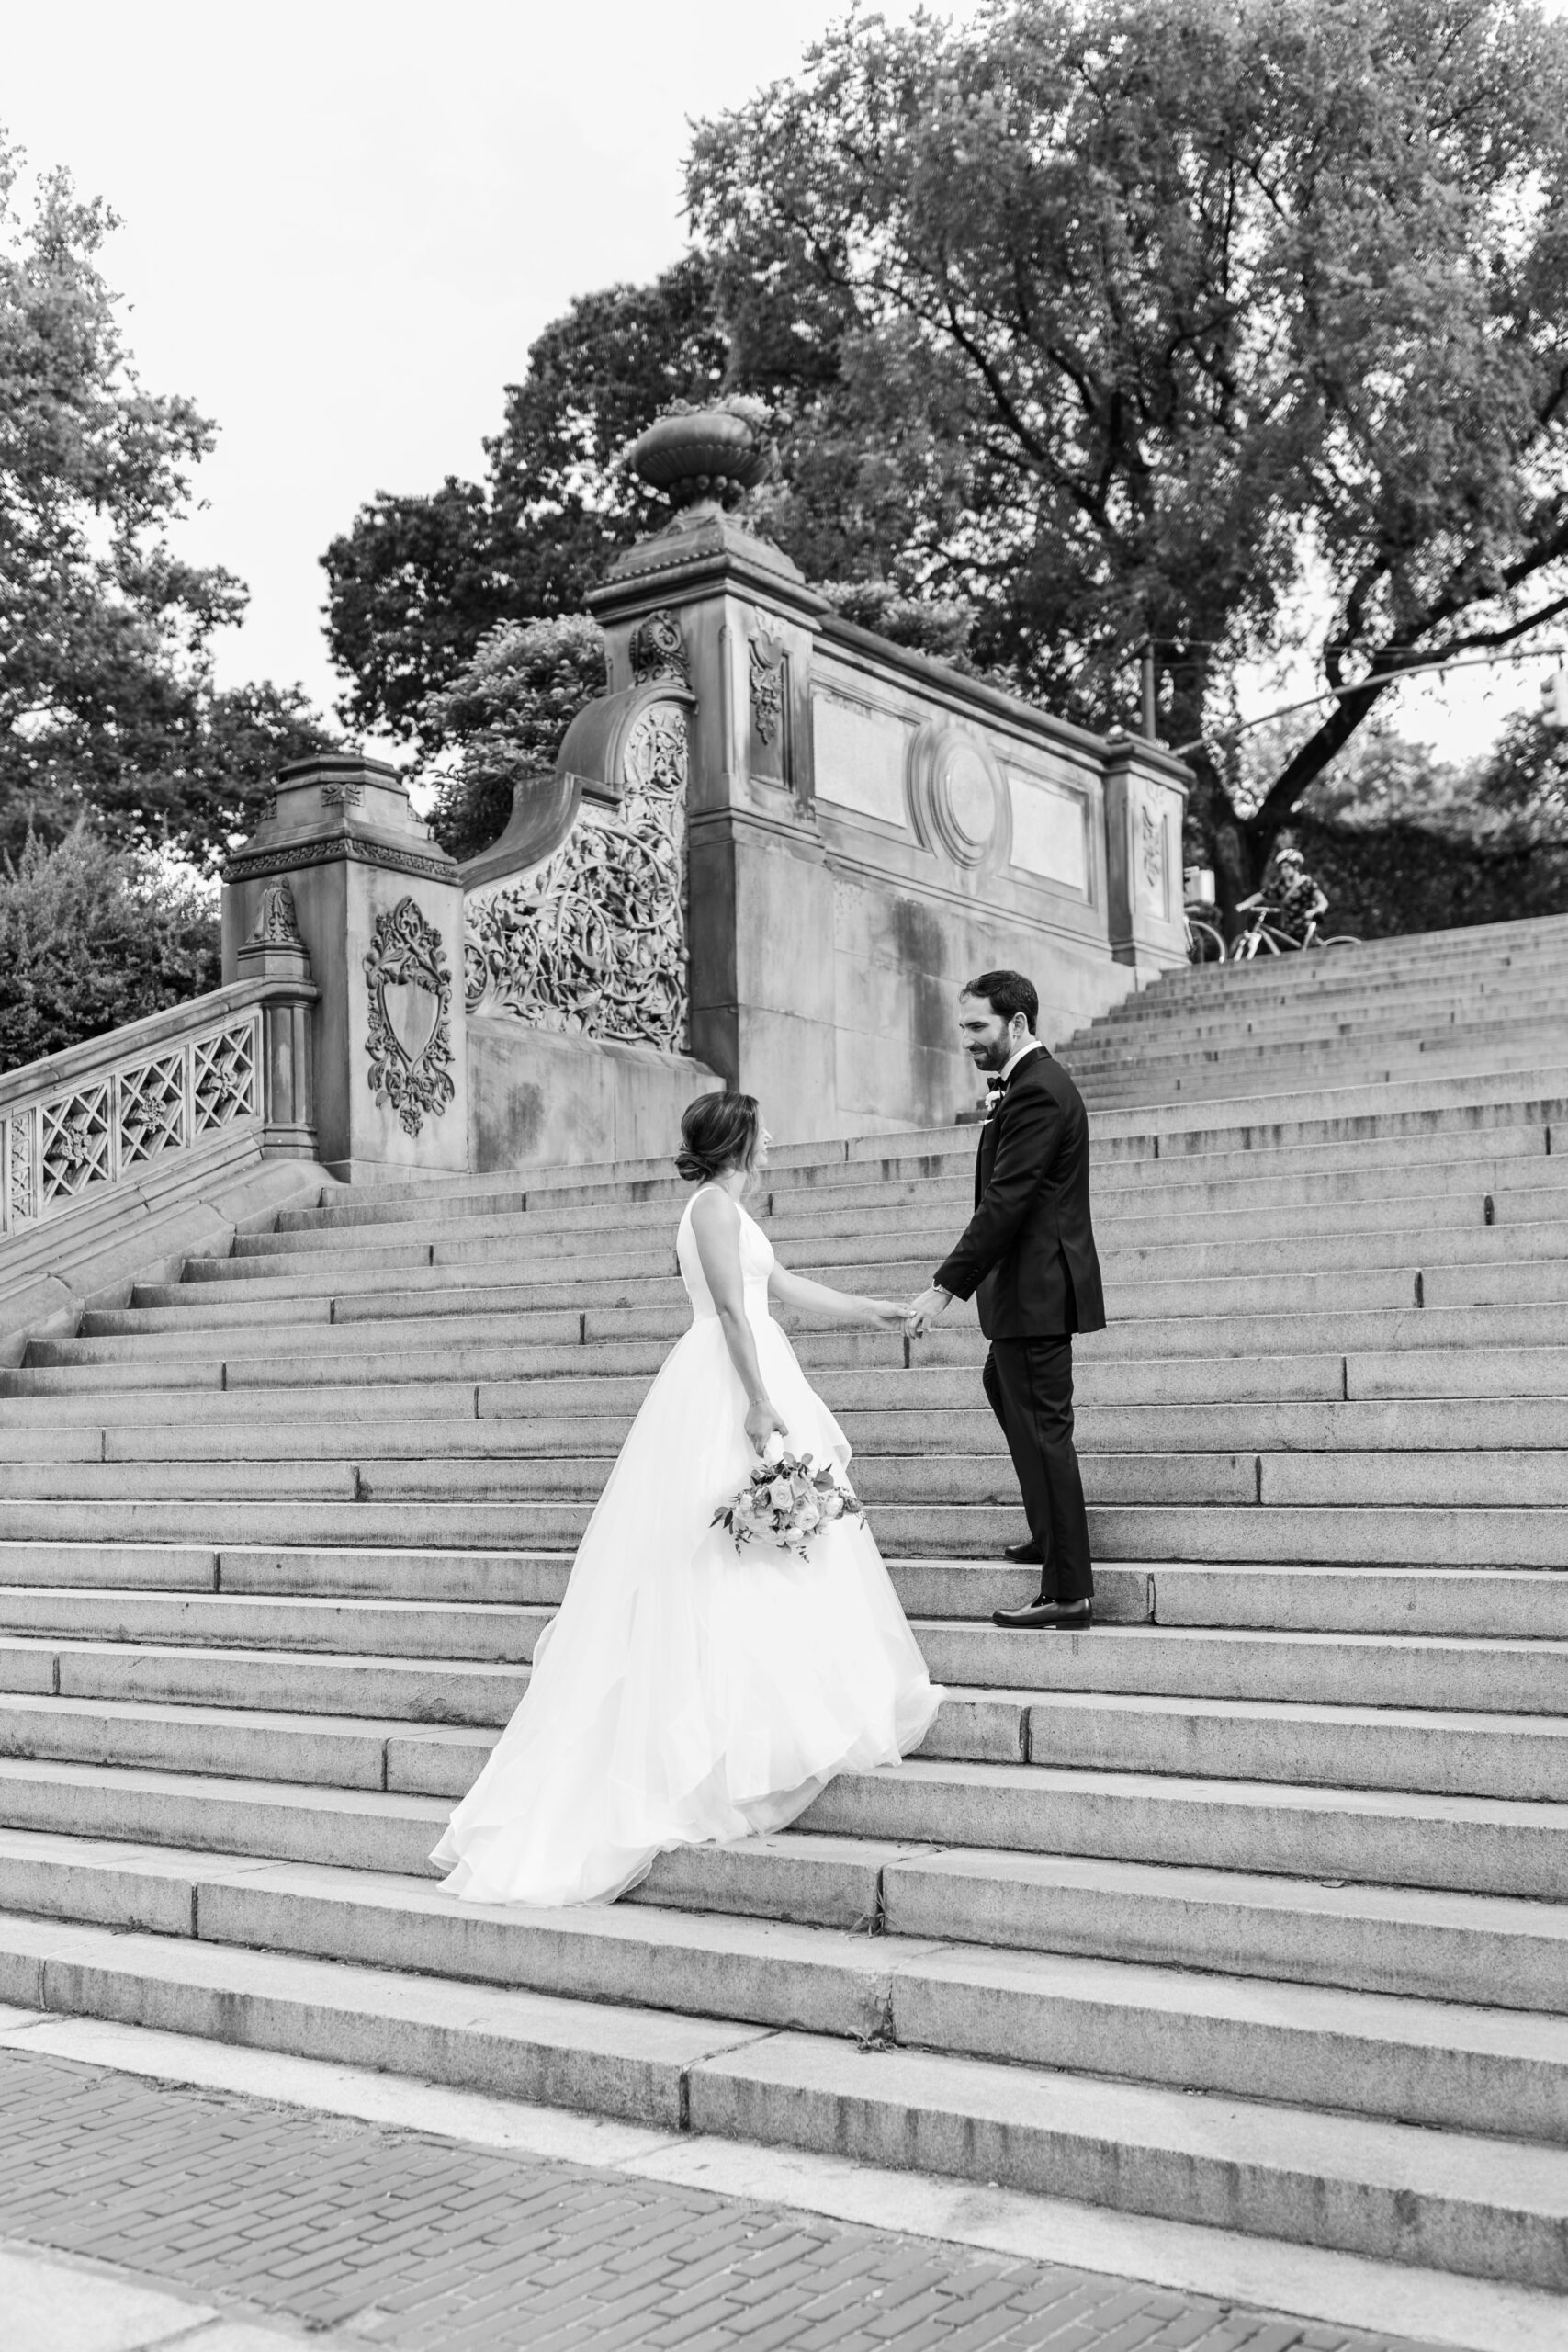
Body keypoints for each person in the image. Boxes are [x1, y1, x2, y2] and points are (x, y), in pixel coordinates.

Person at [432, 1091, 941, 1909]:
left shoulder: (732, 1210)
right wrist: (754, 1397)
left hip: (752, 1366)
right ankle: (720, 1741)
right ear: (738, 1138)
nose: (771, 1136)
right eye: (761, 1126)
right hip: (725, 1379)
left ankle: (771, 1718)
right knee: (727, 1546)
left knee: (775, 1546)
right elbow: (736, 1312)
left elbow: (781, 1285)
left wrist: (869, 1311)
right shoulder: (708, 1207)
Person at [906, 969, 1104, 1631]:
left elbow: (1007, 1201)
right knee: (1003, 1388)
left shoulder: (1039, 1093)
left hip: (1035, 1291)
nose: (965, 1039)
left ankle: (1067, 1592)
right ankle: (1051, 1534)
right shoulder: (1023, 1087)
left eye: (976, 1026)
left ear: (1016, 1024)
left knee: (1046, 1432)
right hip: (1026, 1291)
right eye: (962, 1026)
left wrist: (943, 1287)